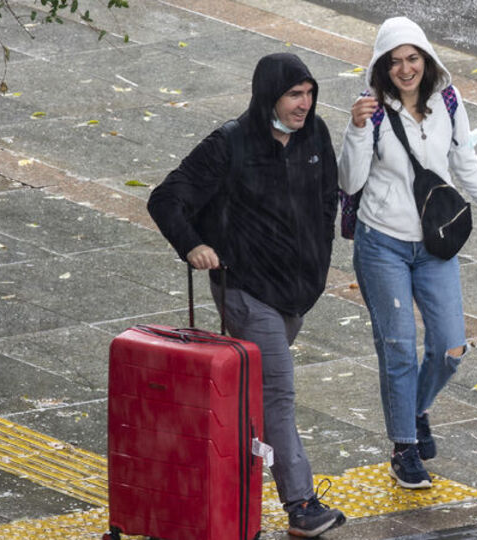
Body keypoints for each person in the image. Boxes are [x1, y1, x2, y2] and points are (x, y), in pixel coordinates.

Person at [147, 53, 345, 538]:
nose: (305, 104)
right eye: (294, 95)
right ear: (268, 97)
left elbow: (326, 199)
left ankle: (228, 488)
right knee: (277, 392)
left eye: (309, 93)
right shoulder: (229, 144)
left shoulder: (315, 135)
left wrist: (319, 257)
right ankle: (300, 504)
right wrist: (193, 245)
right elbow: (165, 198)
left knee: (253, 398)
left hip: (295, 294)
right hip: (246, 291)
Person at [337, 17, 477, 490]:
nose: (405, 69)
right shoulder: (372, 111)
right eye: (395, 61)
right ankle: (404, 447)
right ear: (382, 66)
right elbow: (351, 182)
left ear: (426, 59)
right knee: (398, 346)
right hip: (382, 243)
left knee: (449, 346)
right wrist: (357, 130)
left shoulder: (448, 101)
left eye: (413, 58)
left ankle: (416, 410)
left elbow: (466, 162)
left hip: (436, 243)